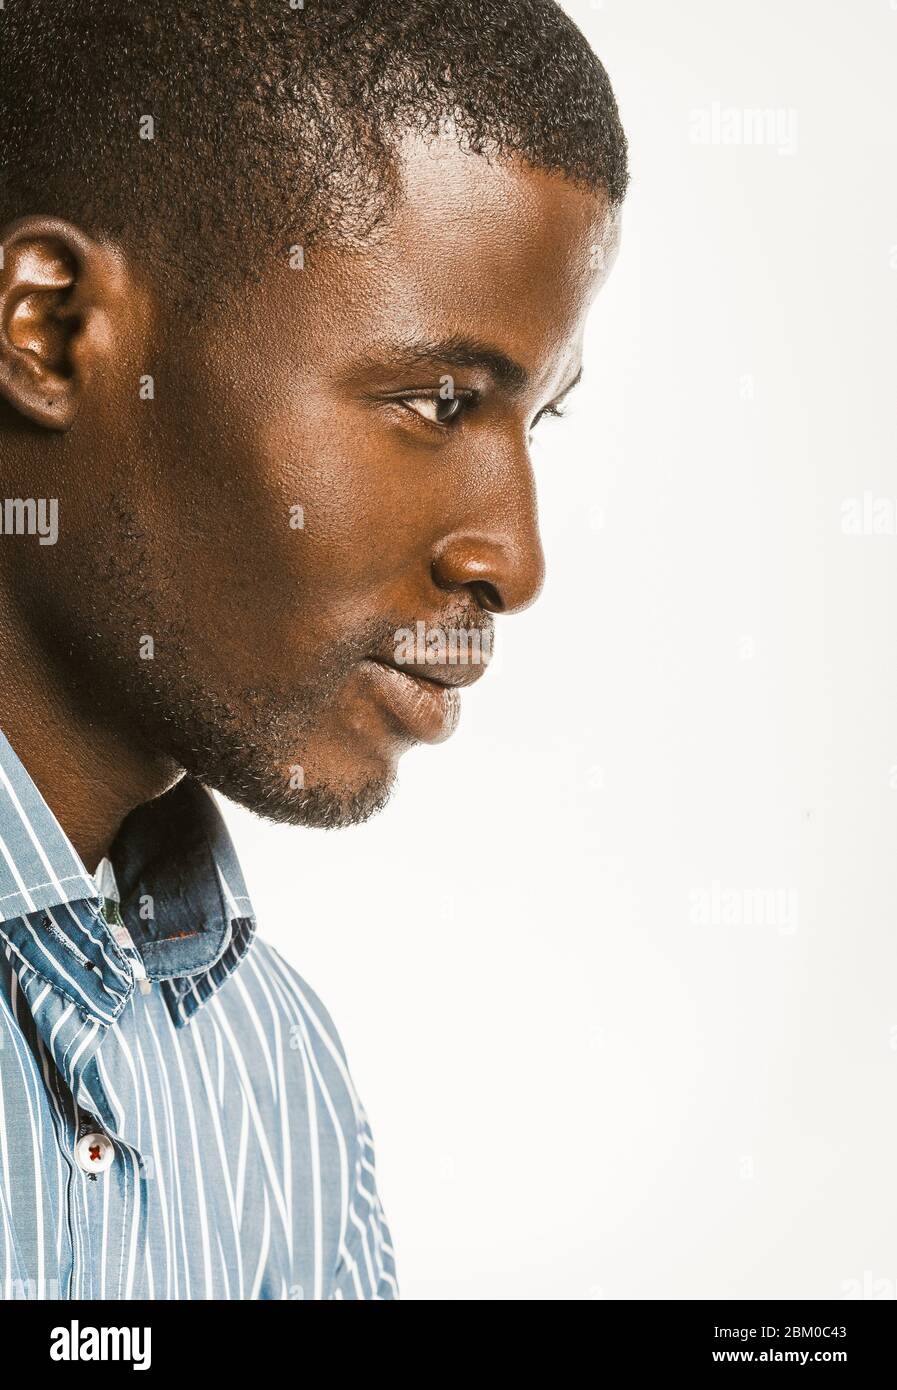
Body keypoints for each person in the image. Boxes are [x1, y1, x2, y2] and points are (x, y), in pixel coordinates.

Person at [0, 0, 628, 1299]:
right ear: (50, 332)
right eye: (435, 400)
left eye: (534, 417)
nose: (510, 559)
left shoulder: (276, 1080)